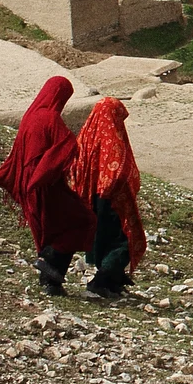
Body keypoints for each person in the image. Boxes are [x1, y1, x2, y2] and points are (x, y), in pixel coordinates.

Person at [0, 75, 94, 297]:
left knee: (48, 230)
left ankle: (50, 283)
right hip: (45, 184)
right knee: (85, 221)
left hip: (27, 184)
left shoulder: (30, 116)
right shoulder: (51, 118)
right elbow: (67, 144)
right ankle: (50, 258)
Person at [67, 95, 146, 300]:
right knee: (124, 241)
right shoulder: (113, 137)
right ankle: (101, 282)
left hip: (91, 197)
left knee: (104, 239)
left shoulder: (87, 134)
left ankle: (113, 280)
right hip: (111, 199)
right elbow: (118, 171)